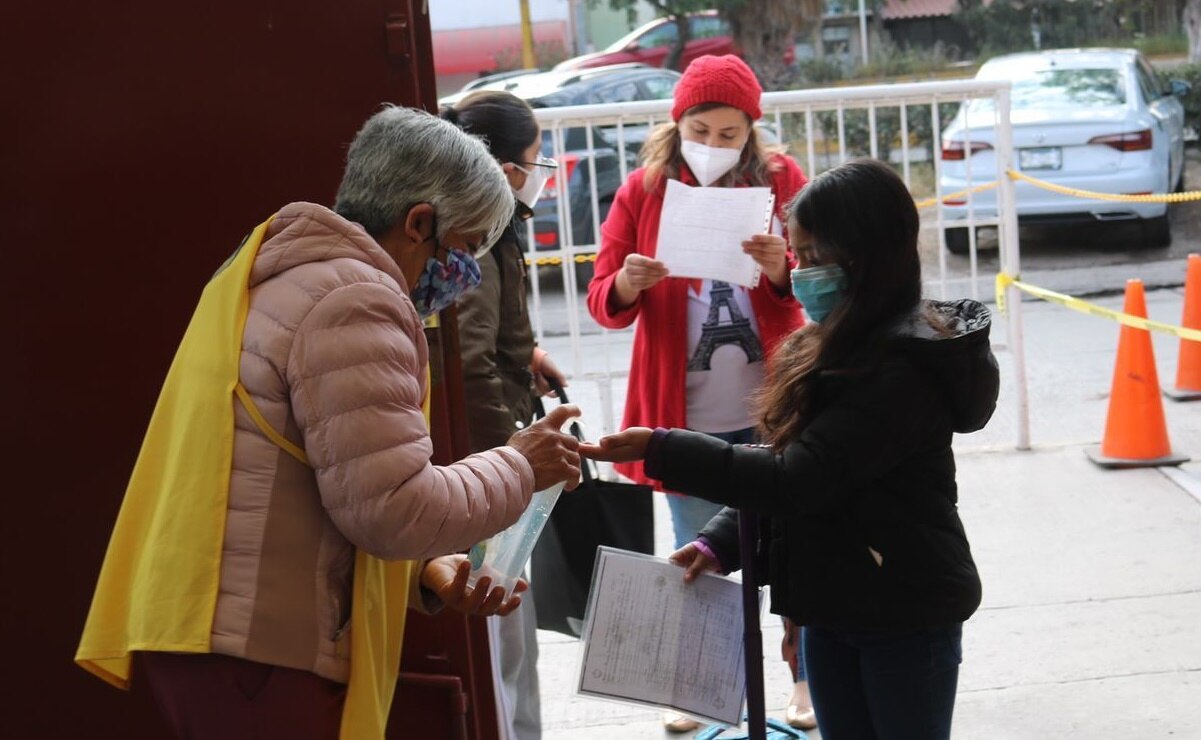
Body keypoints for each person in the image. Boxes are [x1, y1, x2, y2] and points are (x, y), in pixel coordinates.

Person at [75, 105, 583, 740]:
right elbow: (393, 507)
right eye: (462, 248)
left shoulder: (292, 272)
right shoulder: (355, 300)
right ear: (419, 222)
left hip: (222, 634)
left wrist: (428, 568)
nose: (462, 275)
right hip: (260, 649)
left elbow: (315, 474)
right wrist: (519, 464)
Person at [581, 158, 1000, 740]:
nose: (798, 273)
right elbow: (784, 459)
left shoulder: (901, 369)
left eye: (810, 257)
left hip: (904, 611)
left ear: (862, 257)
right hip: (831, 606)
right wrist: (720, 539)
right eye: (796, 255)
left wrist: (663, 448)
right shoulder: (823, 344)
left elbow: (796, 478)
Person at [584, 53, 808, 733]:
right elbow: (601, 298)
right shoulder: (642, 189)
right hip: (682, 409)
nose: (713, 145)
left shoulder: (782, 181)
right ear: (677, 124)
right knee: (694, 550)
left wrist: (780, 272)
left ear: (752, 133)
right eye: (701, 129)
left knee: (794, 546)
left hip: (767, 402)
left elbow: (819, 277)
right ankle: (695, 687)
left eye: (729, 133)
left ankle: (802, 677)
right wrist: (628, 281)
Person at [441, 90, 566, 740]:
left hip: (491, 463)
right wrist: (511, 468)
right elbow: (469, 364)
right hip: (491, 470)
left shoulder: (484, 227)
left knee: (511, 636)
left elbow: (486, 340)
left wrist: (531, 353)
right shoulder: (482, 235)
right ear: (505, 168)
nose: (538, 177)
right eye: (534, 162)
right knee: (503, 638)